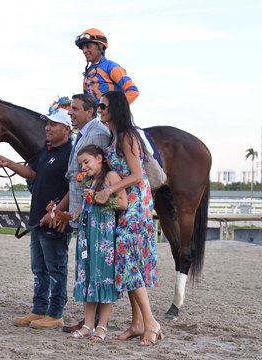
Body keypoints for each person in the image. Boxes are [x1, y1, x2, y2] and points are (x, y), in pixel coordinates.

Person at [0, 107, 73, 330]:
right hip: (37, 219)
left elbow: (73, 188)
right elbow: (33, 173)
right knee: (39, 268)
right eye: (47, 124)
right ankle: (38, 309)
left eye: (53, 124)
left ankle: (55, 313)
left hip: (55, 221)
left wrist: (56, 211)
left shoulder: (71, 154)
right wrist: (8, 163)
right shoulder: (46, 150)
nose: (47, 128)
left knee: (56, 268)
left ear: (66, 129)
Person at [95, 91, 163, 346]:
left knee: (126, 254)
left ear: (116, 109)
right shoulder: (114, 137)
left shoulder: (127, 136)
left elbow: (137, 175)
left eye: (103, 105)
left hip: (137, 205)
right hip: (127, 205)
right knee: (129, 259)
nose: (99, 109)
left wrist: (108, 190)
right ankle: (137, 323)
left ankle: (151, 322)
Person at [51, 94, 110, 333]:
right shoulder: (85, 131)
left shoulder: (97, 132)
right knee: (85, 264)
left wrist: (81, 206)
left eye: (75, 109)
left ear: (90, 111)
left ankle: (96, 321)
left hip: (94, 210)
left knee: (95, 266)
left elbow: (101, 172)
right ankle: (89, 319)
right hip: (82, 208)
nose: (70, 113)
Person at [68, 145, 127, 341]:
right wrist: (79, 209)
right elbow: (91, 201)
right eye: (81, 164)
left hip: (103, 237)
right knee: (88, 277)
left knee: (103, 278)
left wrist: (100, 199)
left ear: (99, 158)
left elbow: (123, 203)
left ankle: (102, 326)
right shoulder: (91, 180)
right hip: (86, 235)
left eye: (87, 162)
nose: (83, 167)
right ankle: (87, 324)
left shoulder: (110, 177)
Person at [75, 28, 139, 105]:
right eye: (82, 48)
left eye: (88, 46)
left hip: (114, 116)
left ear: (100, 46)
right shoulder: (87, 73)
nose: (84, 51)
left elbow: (133, 91)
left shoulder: (112, 67)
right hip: (96, 116)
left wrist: (115, 108)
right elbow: (86, 102)